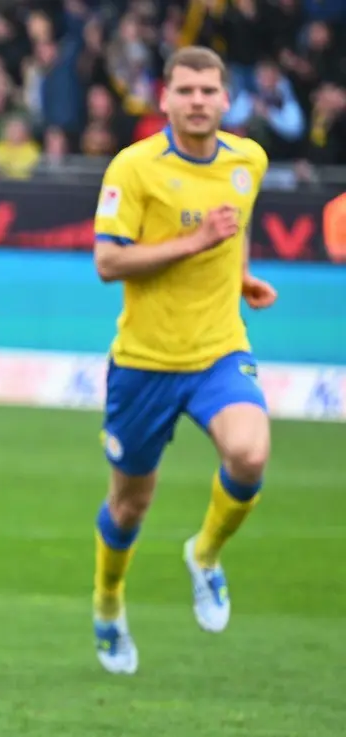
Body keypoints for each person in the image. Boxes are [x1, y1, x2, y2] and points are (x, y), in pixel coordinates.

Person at [89, 46, 277, 676]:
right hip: (144, 363)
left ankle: (205, 554)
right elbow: (108, 261)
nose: (197, 101)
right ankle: (109, 602)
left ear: (227, 100)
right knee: (129, 505)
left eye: (208, 91)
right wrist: (195, 242)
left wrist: (241, 274)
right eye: (185, 91)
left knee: (249, 454)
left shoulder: (248, 160)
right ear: (164, 98)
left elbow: (236, 224)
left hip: (219, 350)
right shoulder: (135, 168)